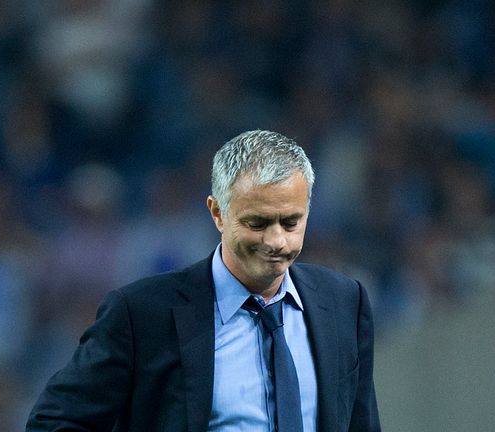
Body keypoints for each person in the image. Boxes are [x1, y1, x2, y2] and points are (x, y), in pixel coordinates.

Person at [26, 130, 380, 431]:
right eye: (257, 223)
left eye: (291, 222)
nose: (276, 241)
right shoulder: (142, 316)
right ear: (217, 213)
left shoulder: (344, 303)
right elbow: (54, 423)